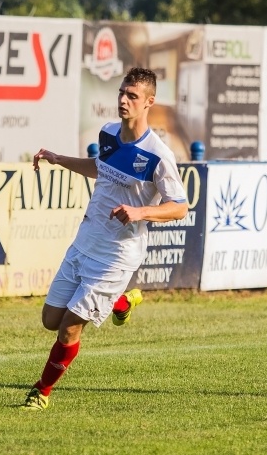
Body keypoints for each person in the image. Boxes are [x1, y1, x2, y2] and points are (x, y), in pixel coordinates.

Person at [22, 67, 188, 411]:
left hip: (117, 254)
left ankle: (41, 392)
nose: (123, 101)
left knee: (68, 329)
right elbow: (101, 167)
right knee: (50, 320)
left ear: (149, 103)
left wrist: (141, 212)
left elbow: (180, 207)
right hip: (85, 242)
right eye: (122, 93)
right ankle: (120, 303)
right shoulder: (108, 133)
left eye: (132, 96)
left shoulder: (158, 154)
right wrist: (58, 159)